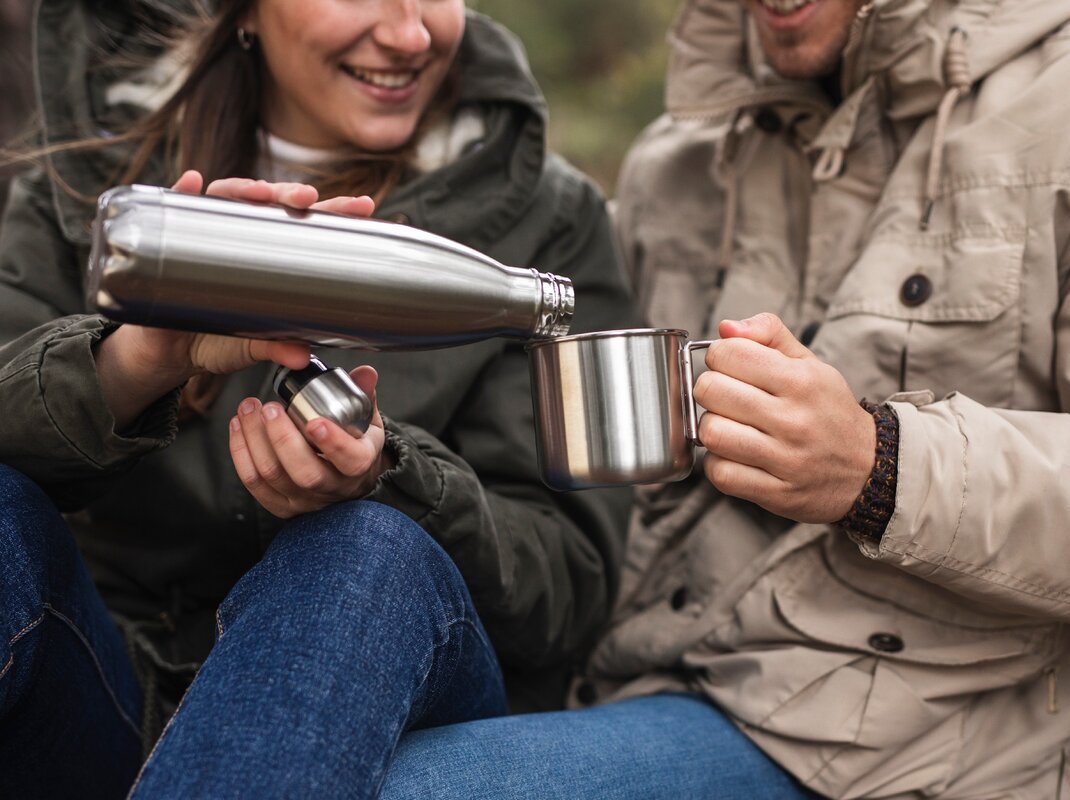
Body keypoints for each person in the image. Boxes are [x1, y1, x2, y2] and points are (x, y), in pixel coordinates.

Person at [376, 0, 1070, 798]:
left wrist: (880, 467)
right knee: (347, 591)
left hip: (885, 744)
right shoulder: (680, 156)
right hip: (620, 675)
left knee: (400, 787)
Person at [0, 0, 633, 796]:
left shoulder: (551, 222)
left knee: (364, 551)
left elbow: (568, 586)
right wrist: (138, 359)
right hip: (103, 685)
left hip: (382, 696)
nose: (409, 34)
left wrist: (387, 477)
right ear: (247, 13)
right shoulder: (97, 180)